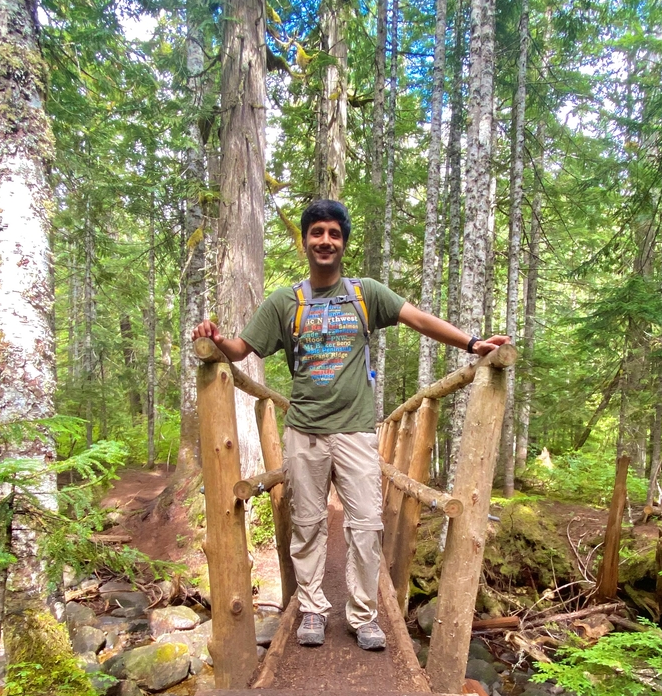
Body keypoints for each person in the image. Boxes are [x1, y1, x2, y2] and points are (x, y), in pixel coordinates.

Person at [192, 199, 510, 650]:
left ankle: (363, 615)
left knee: (365, 526)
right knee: (307, 524)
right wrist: (215, 340)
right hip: (304, 429)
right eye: (317, 232)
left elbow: (417, 318)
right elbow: (242, 348)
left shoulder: (366, 293)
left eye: (334, 234)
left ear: (343, 243)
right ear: (304, 241)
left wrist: (472, 342)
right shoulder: (285, 301)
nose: (325, 241)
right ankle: (313, 611)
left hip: (357, 431)